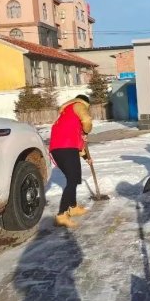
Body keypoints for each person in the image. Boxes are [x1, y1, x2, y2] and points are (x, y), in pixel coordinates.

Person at [49, 94, 93, 228]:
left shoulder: (66, 114)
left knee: (72, 179)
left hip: (58, 150)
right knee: (72, 180)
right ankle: (61, 215)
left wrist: (86, 157)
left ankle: (73, 207)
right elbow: (87, 120)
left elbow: (75, 141)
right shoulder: (79, 105)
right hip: (66, 148)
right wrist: (86, 130)